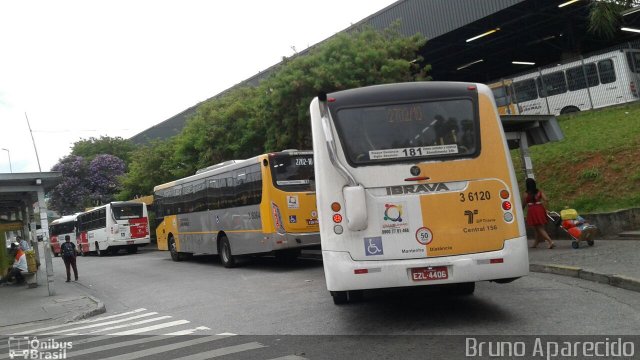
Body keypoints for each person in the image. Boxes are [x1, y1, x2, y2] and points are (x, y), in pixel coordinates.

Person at [523, 177, 555, 249]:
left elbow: (524, 204)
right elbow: (546, 200)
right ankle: (536, 242)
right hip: (540, 208)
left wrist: (520, 211)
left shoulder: (526, 193)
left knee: (538, 227)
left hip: (532, 210)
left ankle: (550, 241)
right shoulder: (539, 192)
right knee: (537, 227)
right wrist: (546, 209)